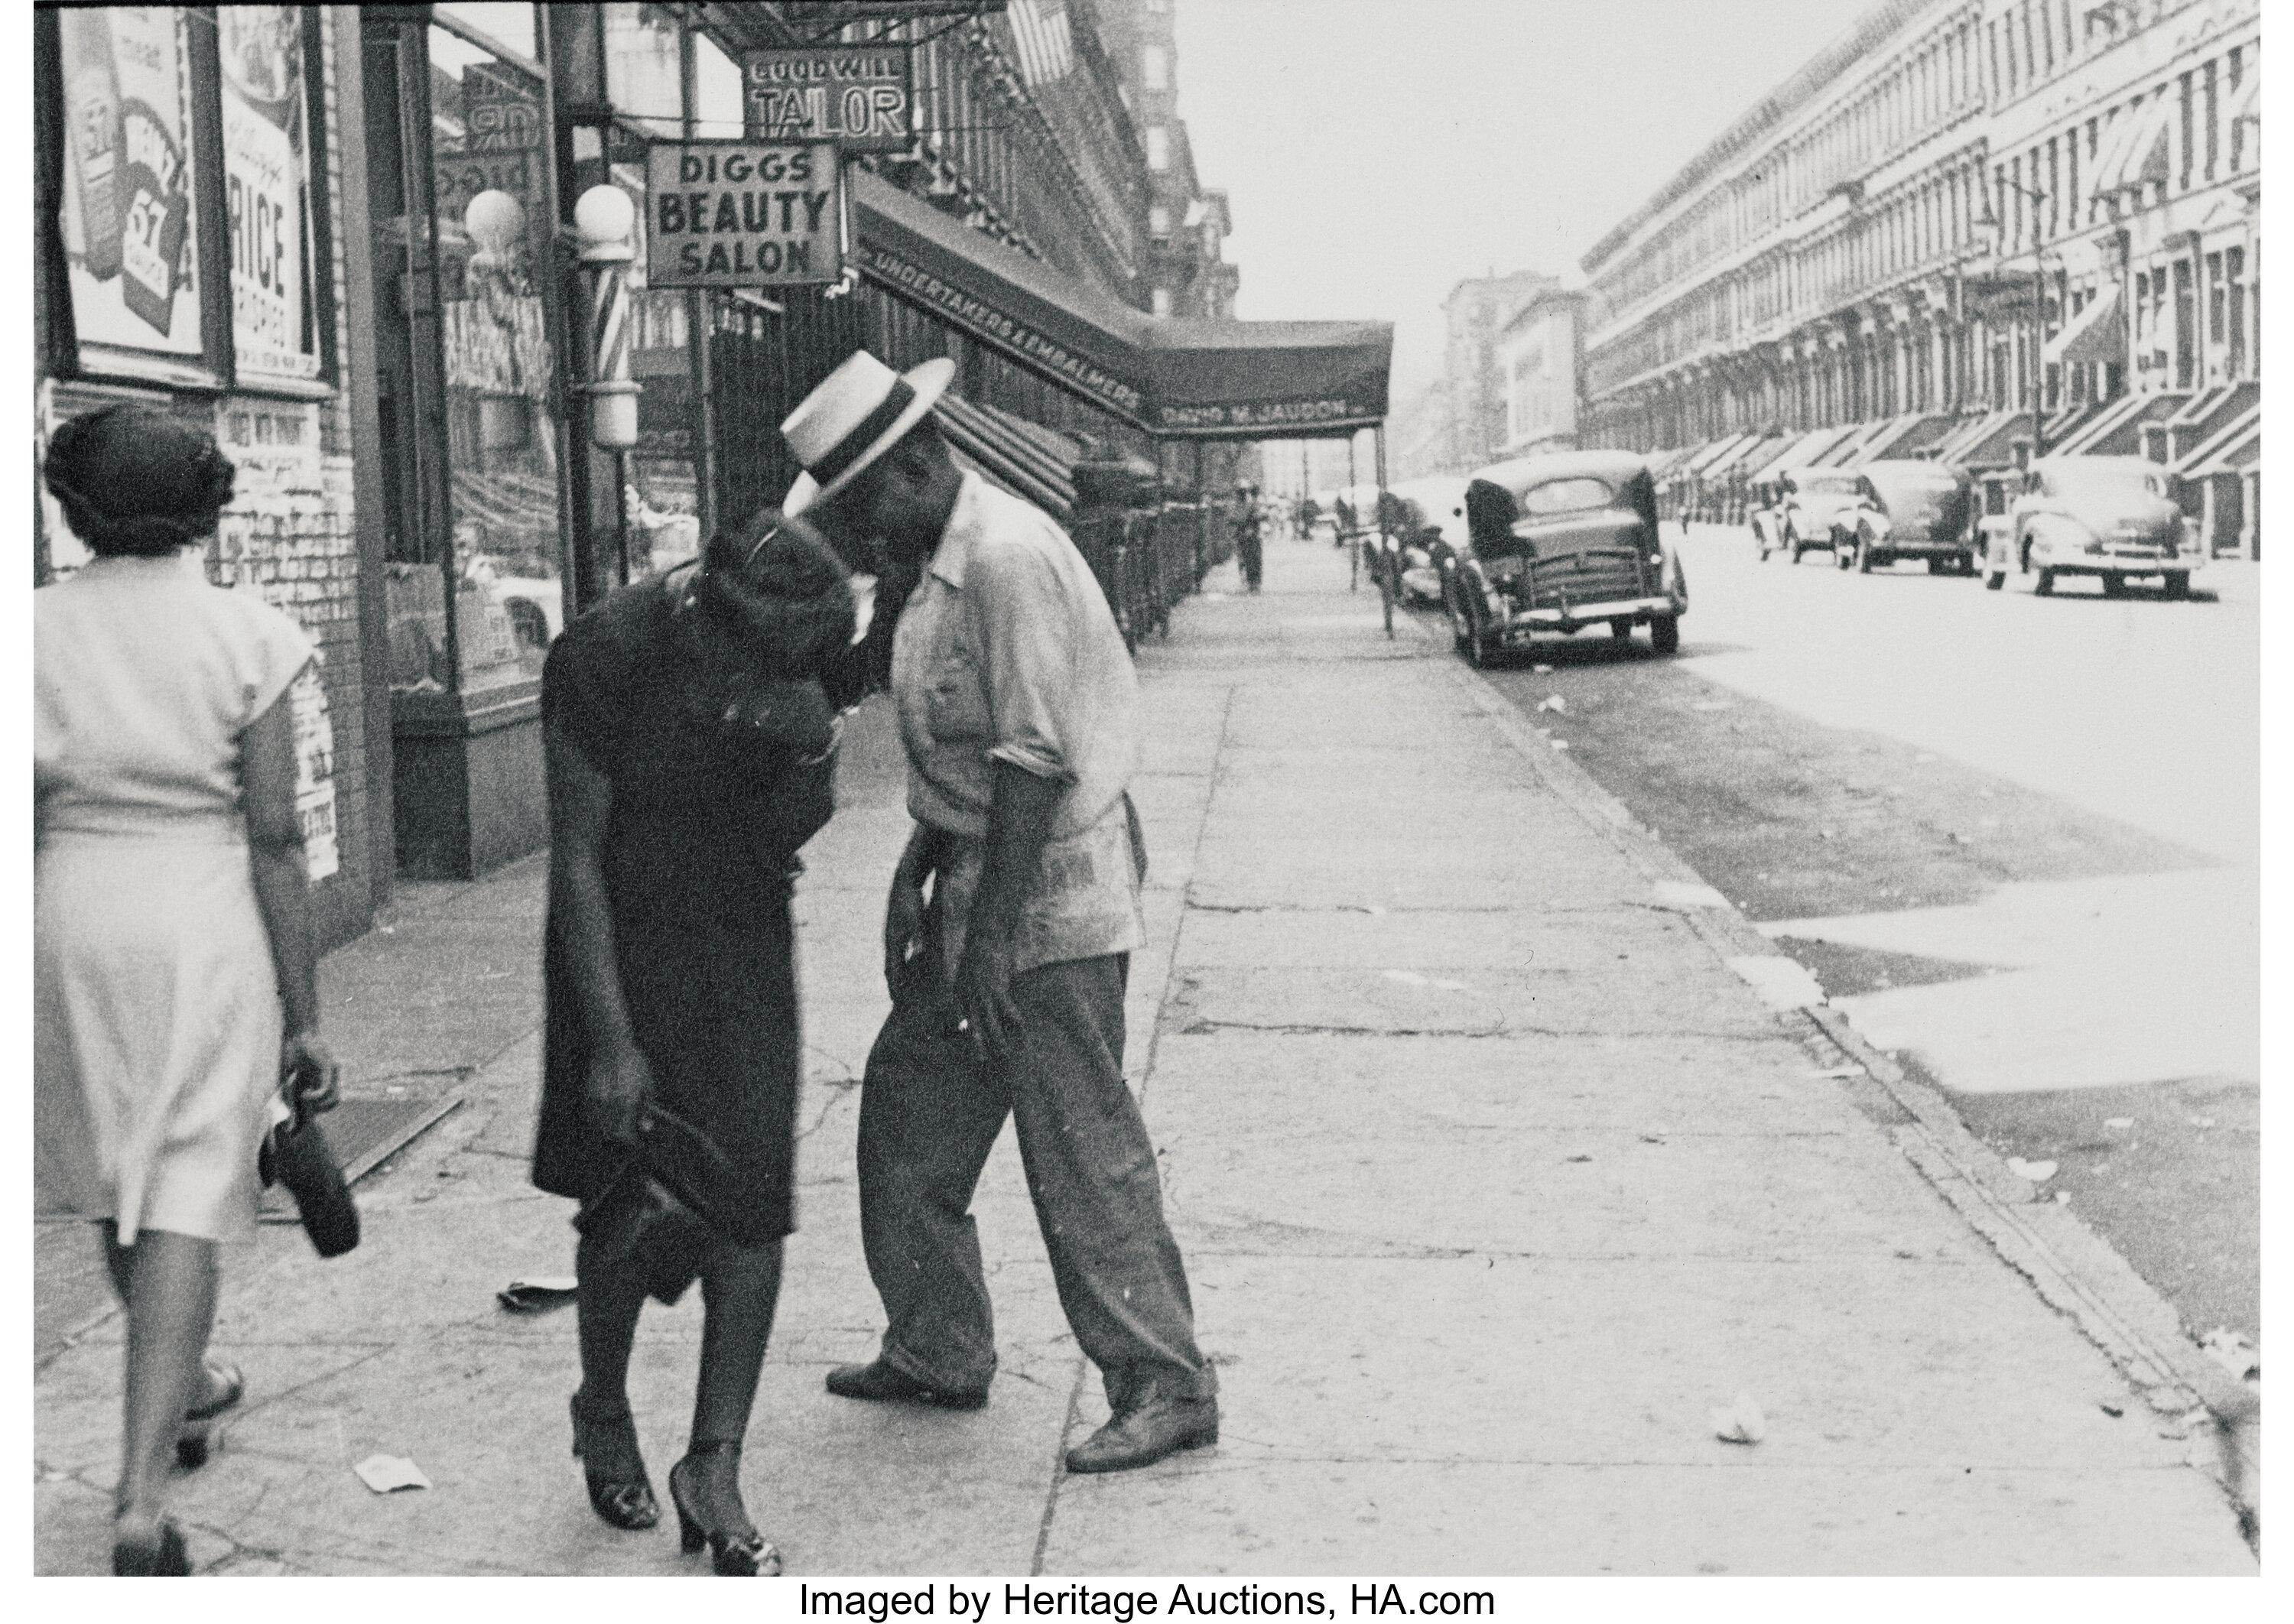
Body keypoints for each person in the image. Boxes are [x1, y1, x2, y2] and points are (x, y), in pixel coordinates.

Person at [784, 351, 1218, 1476]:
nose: (855, 529)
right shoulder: (934, 563)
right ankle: (938, 1345)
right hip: (979, 881)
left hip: (1049, 902)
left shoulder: (1007, 561)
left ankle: (1164, 1381)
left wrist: (988, 940)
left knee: (1079, 1142)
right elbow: (963, 748)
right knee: (907, 1120)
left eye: (860, 501)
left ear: (917, 467)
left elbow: (1033, 757)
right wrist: (919, 864)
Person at [35, 405, 343, 1576]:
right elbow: (273, 837)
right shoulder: (248, 636)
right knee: (185, 1192)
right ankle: (137, 1496)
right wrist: (305, 1012)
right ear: (207, 506)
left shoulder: (28, 633)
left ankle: (192, 1383)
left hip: (71, 918)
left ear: (75, 510)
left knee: (127, 1176)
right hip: (204, 925)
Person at [532, 505, 864, 1576]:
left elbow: (789, 828)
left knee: (752, 1208)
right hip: (619, 938)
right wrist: (612, 1040)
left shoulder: (796, 667)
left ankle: (712, 1466)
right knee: (630, 1199)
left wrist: (805, 750)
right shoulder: (606, 652)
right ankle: (603, 1405)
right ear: (710, 619)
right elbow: (575, 856)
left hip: (740, 934)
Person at [1231, 483, 1264, 593]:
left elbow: (1254, 519)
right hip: (1247, 536)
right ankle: (1251, 582)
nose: (1243, 495)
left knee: (1249, 559)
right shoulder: (1247, 505)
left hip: (1249, 536)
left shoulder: (1248, 505)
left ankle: (1251, 582)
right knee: (1249, 559)